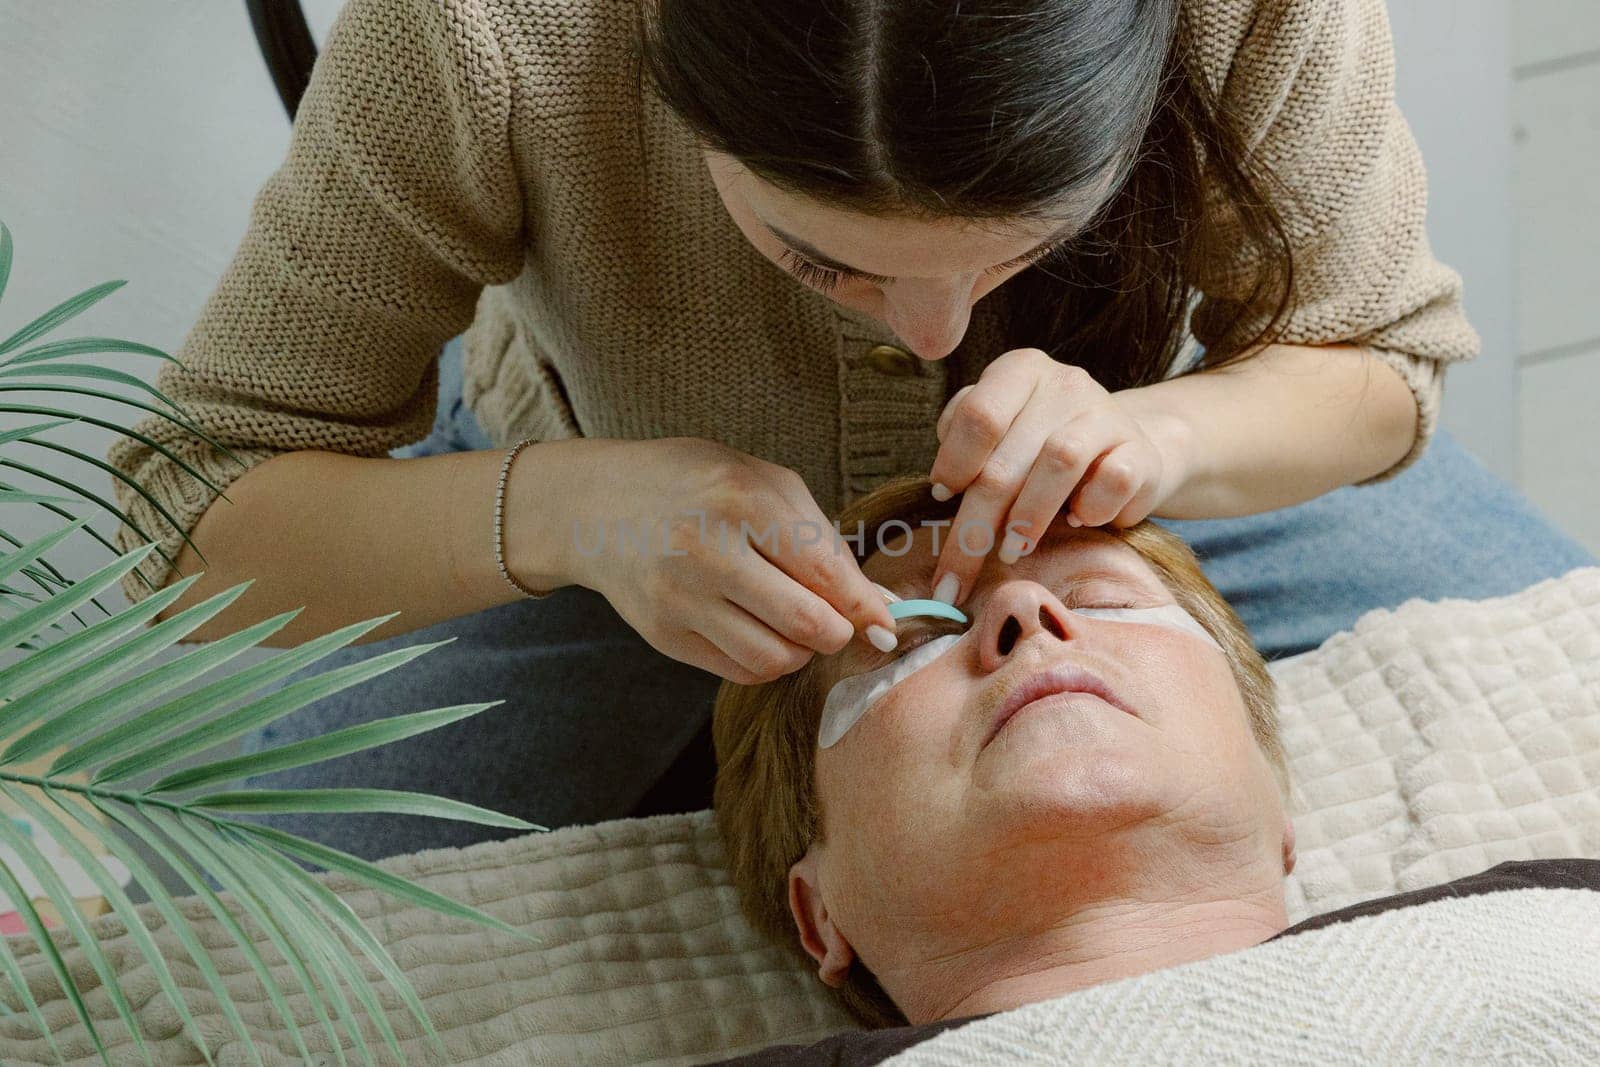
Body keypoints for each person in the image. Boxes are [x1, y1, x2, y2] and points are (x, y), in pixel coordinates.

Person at [104, 0, 1592, 857]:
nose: (936, 337)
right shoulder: (488, 34)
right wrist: (566, 515)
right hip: (587, 520)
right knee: (227, 888)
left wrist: (1164, 438)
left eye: (1016, 253)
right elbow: (192, 509)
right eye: (822, 256)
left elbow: (1380, 358)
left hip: (1135, 482)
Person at [708, 477, 1600, 1062]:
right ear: (818, 911)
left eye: (1103, 598)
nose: (1026, 608)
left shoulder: (1558, 922)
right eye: (914, 635)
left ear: (1274, 797)